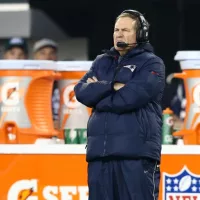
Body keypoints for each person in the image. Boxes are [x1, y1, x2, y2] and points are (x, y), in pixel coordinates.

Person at [74, 9, 165, 200]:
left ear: (141, 34)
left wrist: (99, 91)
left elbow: (131, 98)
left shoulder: (153, 64)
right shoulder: (101, 62)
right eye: (116, 30)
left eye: (125, 30)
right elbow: (81, 92)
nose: (119, 34)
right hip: (100, 156)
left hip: (136, 155)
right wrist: (114, 86)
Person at [33, 38, 60, 125]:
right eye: (42, 53)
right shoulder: (28, 81)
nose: (48, 57)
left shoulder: (63, 81)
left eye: (51, 53)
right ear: (35, 57)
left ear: (56, 57)